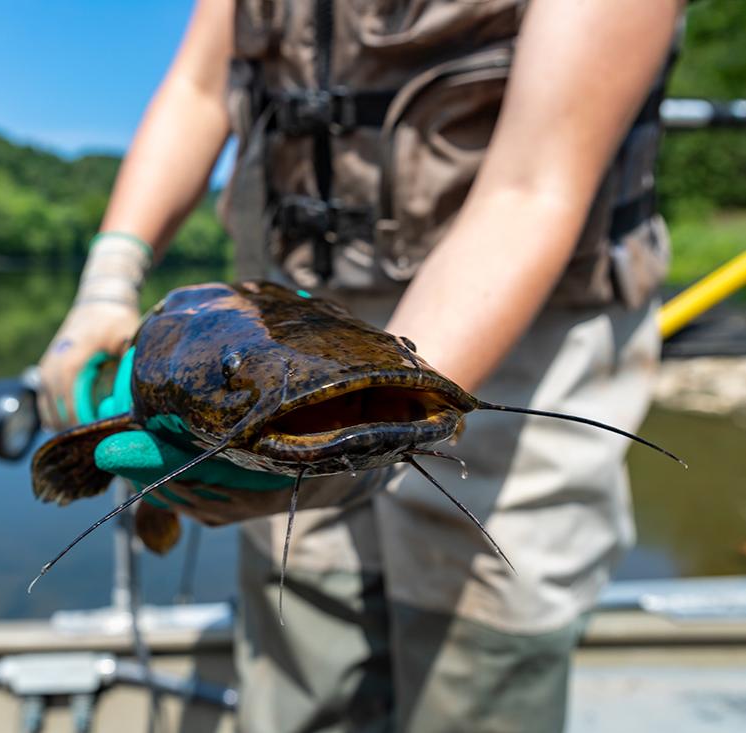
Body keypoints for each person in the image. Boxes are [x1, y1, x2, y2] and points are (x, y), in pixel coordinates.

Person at [39, 1, 685, 730]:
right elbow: (197, 86)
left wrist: (383, 407)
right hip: (273, 328)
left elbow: (532, 187)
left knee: (479, 650)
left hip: (520, 329)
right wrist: (110, 271)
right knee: (304, 640)